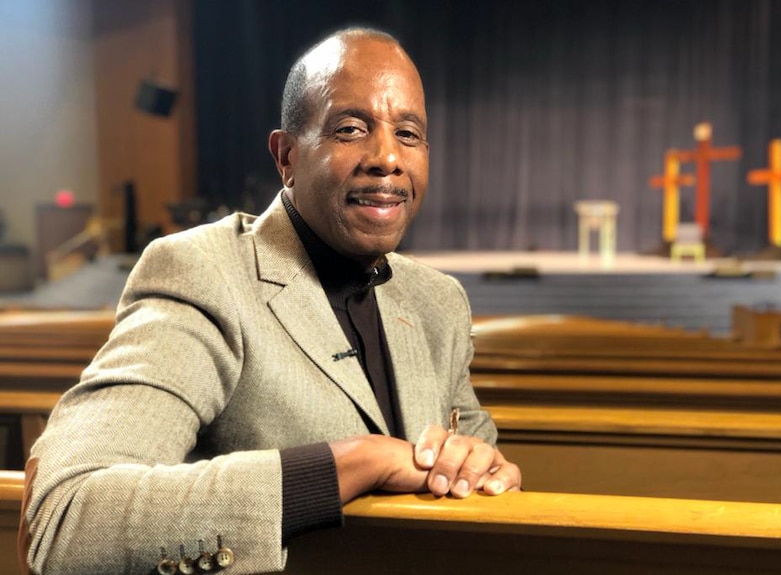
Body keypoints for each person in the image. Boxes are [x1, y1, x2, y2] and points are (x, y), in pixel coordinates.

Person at [20, 27, 521, 574]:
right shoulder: (203, 274)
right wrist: (352, 463)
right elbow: (67, 521)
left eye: (408, 133)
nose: (386, 158)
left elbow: (483, 479)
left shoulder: (439, 302)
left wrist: (486, 471)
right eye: (351, 128)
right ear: (286, 156)